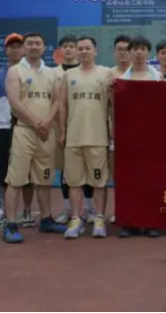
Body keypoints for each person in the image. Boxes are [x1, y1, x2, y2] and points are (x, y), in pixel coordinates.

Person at [2, 32, 68, 244]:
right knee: (15, 180)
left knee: (44, 179)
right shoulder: (15, 71)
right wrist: (36, 123)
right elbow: (14, 102)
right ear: (24, 48)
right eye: (29, 43)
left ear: (44, 47)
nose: (34, 46)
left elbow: (57, 101)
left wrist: (47, 122)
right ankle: (10, 224)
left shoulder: (51, 73)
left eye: (38, 43)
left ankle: (46, 219)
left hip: (46, 132)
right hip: (24, 131)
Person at [60, 37, 114, 239]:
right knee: (74, 182)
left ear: (95, 51)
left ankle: (99, 218)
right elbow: (62, 104)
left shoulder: (106, 73)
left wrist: (112, 131)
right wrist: (63, 131)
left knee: (99, 182)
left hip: (98, 137)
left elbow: (113, 103)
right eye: (80, 48)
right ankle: (76, 219)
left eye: (87, 48)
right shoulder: (68, 75)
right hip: (74, 137)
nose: (83, 51)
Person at [118, 36, 162, 238]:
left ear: (148, 52)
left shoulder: (157, 77)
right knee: (129, 179)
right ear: (130, 52)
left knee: (151, 179)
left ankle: (152, 222)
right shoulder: (122, 78)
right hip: (128, 134)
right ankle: (129, 223)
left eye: (143, 49)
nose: (139, 52)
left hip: (152, 135)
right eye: (135, 49)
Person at [53, 36, 96, 226]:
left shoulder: (90, 72)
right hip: (64, 129)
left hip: (88, 128)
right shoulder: (53, 73)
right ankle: (67, 209)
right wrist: (61, 129)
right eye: (66, 46)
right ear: (60, 50)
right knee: (66, 171)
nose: (69, 49)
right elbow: (57, 103)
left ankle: (89, 208)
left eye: (73, 46)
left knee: (89, 169)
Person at [0, 33, 24, 230]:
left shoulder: (30, 73)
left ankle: (27, 211)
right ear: (6, 50)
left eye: (18, 46)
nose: (15, 50)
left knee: (27, 172)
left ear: (23, 50)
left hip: (26, 129)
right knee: (4, 172)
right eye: (12, 46)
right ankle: (7, 212)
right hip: (2, 129)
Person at [107, 35, 132, 226]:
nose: (122, 53)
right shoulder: (108, 74)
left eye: (126, 49)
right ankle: (120, 210)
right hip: (115, 131)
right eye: (119, 49)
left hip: (137, 132)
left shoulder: (143, 73)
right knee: (118, 174)